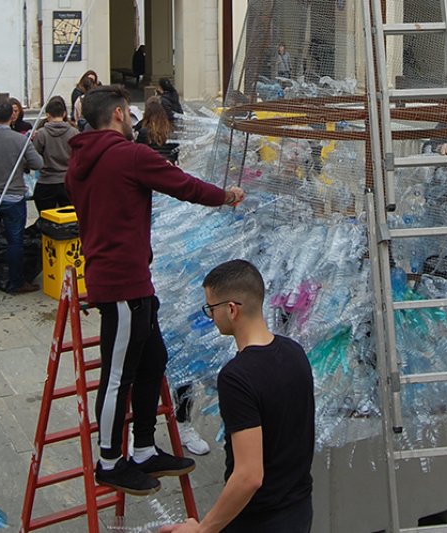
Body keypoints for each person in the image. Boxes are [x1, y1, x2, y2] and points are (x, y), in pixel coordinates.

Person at [64, 84, 245, 496]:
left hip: (125, 278)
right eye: (128, 116)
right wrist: (226, 196)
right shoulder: (129, 155)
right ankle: (110, 460)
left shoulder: (81, 161)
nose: (133, 122)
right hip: (121, 281)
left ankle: (144, 448)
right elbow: (183, 185)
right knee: (116, 375)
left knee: (153, 359)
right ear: (117, 115)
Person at [160, 259, 315, 533]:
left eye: (211, 308)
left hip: (259, 521)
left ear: (231, 309)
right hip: (299, 511)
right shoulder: (295, 352)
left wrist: (203, 530)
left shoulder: (236, 377)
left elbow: (249, 476)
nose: (210, 316)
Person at [0, 100, 43, 294]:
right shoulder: (20, 141)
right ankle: (15, 282)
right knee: (15, 241)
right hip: (12, 197)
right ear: (12, 116)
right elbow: (38, 163)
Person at [32, 96, 78, 213]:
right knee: (70, 220)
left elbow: (34, 157)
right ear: (63, 114)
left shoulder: (41, 134)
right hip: (68, 181)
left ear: (48, 115)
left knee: (46, 220)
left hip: (46, 181)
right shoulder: (74, 132)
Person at [135, 96, 180, 165]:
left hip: (151, 167)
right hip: (168, 167)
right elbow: (175, 152)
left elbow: (139, 153)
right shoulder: (171, 130)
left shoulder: (143, 131)